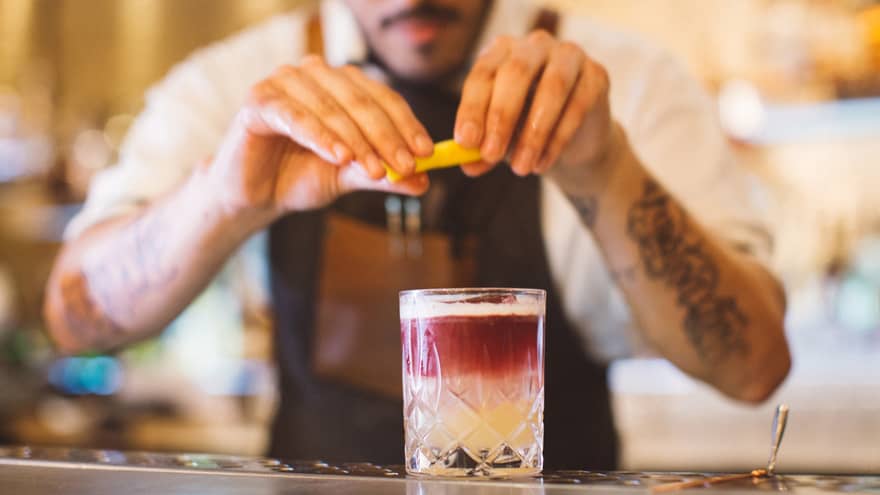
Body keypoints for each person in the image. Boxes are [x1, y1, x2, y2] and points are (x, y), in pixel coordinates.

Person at [43, 0, 790, 469]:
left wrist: (607, 169)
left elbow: (754, 366)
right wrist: (225, 197)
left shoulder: (633, 80)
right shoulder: (234, 83)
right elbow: (74, 316)